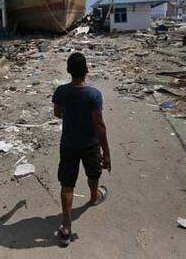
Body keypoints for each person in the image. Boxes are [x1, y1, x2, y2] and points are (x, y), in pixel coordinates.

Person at [52, 52, 111, 246]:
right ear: (87, 71)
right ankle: (94, 197)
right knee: (93, 173)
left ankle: (66, 227)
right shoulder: (94, 95)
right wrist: (107, 153)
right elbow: (100, 125)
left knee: (67, 184)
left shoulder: (61, 92)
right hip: (90, 144)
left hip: (68, 144)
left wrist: (72, 114)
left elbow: (57, 113)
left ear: (69, 71)